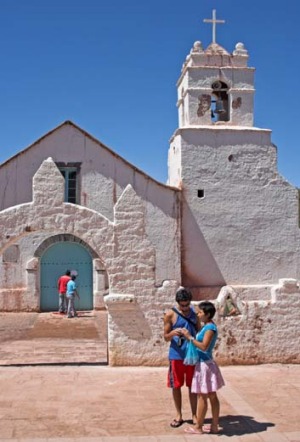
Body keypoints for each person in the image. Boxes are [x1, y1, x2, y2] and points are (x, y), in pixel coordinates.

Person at [181, 301, 225, 435]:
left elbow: (204, 346)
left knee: (202, 396)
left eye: (200, 312)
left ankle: (198, 427)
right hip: (207, 363)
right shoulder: (208, 326)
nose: (198, 314)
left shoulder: (210, 329)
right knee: (212, 395)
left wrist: (189, 338)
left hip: (204, 365)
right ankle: (214, 426)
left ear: (207, 314)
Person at [164, 287, 201, 428]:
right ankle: (178, 415)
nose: (185, 308)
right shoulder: (170, 315)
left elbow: (199, 332)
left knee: (193, 386)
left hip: (191, 356)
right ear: (177, 303)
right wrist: (173, 333)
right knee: (176, 386)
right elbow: (165, 337)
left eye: (187, 305)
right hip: (176, 356)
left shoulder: (195, 314)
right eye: (182, 305)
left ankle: (194, 415)